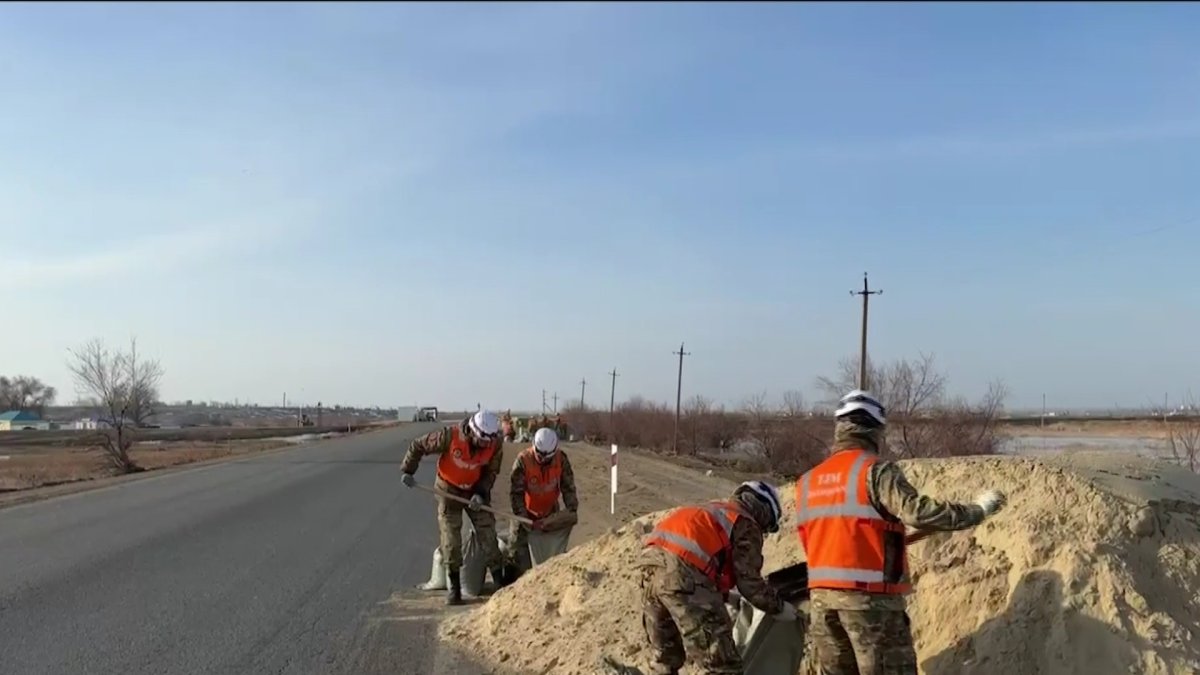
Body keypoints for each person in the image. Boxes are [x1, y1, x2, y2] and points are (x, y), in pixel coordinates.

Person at [796, 390, 1008, 675]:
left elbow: (818, 540)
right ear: (875, 430)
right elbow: (917, 513)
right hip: (871, 605)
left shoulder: (808, 482)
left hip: (822, 605)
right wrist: (976, 511)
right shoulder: (876, 472)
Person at [639, 481, 798, 675]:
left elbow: (707, 554)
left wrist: (725, 596)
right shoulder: (745, 522)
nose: (763, 532)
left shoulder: (715, 510)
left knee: (665, 657)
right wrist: (779, 608)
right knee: (722, 663)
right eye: (767, 527)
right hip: (683, 575)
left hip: (649, 569)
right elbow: (750, 584)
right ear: (765, 511)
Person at [400, 409, 507, 605]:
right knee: (451, 539)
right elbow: (418, 445)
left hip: (474, 491)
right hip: (448, 491)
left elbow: (492, 472)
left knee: (488, 534)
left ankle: (500, 581)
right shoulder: (449, 436)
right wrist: (408, 470)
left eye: (489, 440)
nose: (486, 444)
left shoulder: (495, 445)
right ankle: (455, 589)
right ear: (473, 431)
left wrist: (481, 493)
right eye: (482, 439)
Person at [508, 427, 578, 572]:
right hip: (525, 513)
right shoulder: (523, 461)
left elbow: (568, 486)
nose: (542, 460)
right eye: (539, 456)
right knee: (517, 554)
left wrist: (571, 509)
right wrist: (524, 519)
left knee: (551, 555)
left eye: (546, 458)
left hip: (550, 512)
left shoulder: (561, 460)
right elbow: (516, 494)